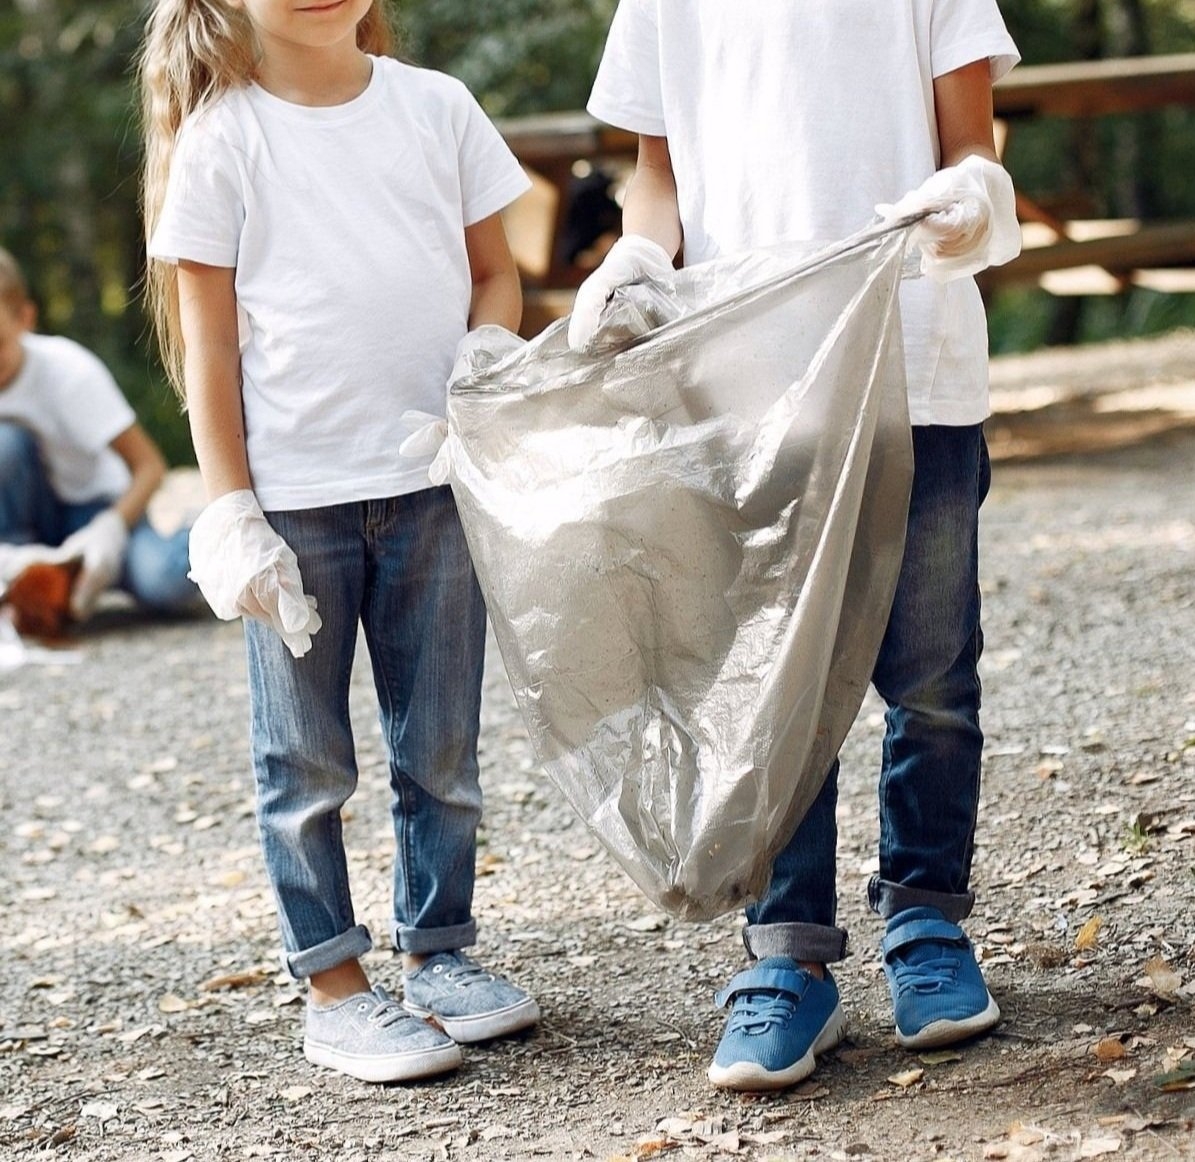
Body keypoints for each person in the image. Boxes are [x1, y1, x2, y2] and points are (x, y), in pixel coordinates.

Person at [570, 1, 1022, 1092]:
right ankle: (786, 960)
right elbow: (657, 170)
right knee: (775, 683)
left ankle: (926, 927)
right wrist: (639, 247)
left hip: (914, 361)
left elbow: (970, 138)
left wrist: (973, 195)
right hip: (747, 381)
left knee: (929, 679)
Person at [138, 0, 537, 1084]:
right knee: (304, 760)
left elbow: (494, 272)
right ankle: (333, 983)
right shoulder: (224, 138)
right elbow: (209, 349)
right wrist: (231, 511)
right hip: (297, 506)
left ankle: (441, 953)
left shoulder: (437, 107)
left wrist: (480, 378)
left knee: (441, 746)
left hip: (432, 484)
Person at [0, 246, 199, 629]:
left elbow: (150, 466)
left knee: (162, 583)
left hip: (99, 508)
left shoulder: (69, 373)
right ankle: (24, 575)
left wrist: (108, 531)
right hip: (30, 521)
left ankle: (205, 536)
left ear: (26, 317)